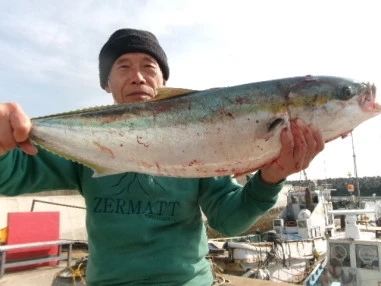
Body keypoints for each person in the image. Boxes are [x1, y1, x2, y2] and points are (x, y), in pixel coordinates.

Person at [0, 28, 324, 285]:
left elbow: (228, 220)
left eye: (148, 67)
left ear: (164, 81)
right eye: (123, 67)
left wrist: (271, 178)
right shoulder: (84, 142)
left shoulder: (203, 139)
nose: (138, 77)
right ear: (106, 83)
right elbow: (11, 176)